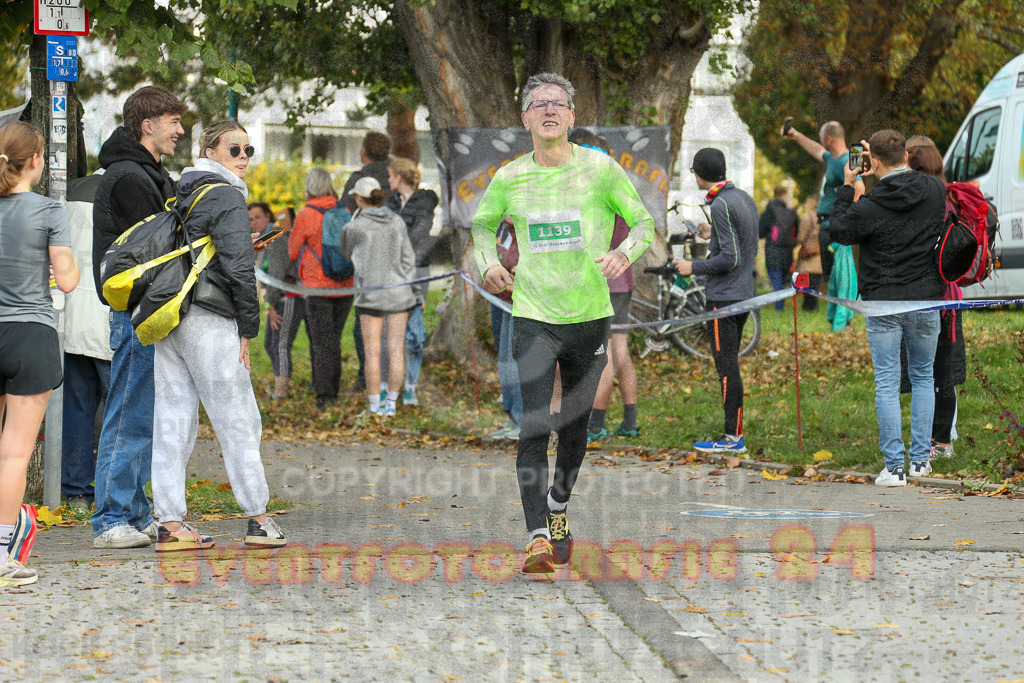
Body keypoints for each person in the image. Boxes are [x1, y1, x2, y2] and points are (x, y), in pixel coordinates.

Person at [472, 73, 655, 575]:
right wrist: (488, 263)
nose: (549, 110)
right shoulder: (510, 177)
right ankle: (536, 537)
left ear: (572, 116)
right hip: (533, 314)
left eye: (558, 103)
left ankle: (557, 507)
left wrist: (623, 253)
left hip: (588, 317)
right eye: (539, 104)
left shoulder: (600, 169)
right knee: (534, 424)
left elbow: (643, 223)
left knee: (574, 429)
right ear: (525, 119)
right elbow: (483, 225)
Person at [150, 120, 286, 550]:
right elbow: (239, 270)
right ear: (210, 151)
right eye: (234, 149)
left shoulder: (182, 190)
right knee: (239, 418)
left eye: (249, 150)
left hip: (172, 315)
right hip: (211, 319)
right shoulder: (226, 194)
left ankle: (169, 523)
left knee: (173, 420)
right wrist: (248, 327)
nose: (244, 158)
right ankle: (258, 519)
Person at [91, 86, 185, 549]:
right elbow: (160, 248)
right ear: (148, 125)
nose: (180, 130)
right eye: (173, 121)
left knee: (143, 415)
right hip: (135, 313)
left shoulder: (148, 173)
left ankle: (135, 512)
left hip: (148, 312)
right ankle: (110, 520)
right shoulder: (130, 178)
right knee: (129, 413)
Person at [829, 130, 945, 486]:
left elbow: (839, 231)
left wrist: (848, 186)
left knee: (887, 382)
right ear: (906, 157)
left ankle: (894, 468)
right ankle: (920, 461)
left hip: (883, 301)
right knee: (924, 377)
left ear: (873, 162)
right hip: (925, 297)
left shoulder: (870, 205)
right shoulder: (935, 190)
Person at [0, 121, 80, 586]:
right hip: (29, 335)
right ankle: (2, 555)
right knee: (13, 454)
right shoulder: (49, 210)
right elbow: (67, 280)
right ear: (35, 161)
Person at [674, 148, 758, 455]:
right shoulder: (742, 197)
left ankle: (733, 439)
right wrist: (713, 233)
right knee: (730, 365)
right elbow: (742, 241)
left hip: (724, 298)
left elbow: (730, 258)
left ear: (699, 174)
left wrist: (692, 267)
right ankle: (734, 434)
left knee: (726, 369)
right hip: (744, 293)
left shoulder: (721, 203)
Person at [567, 132, 640, 443]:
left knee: (602, 355)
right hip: (622, 278)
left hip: (601, 279)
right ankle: (630, 422)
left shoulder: (589, 188)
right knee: (620, 351)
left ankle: (595, 426)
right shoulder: (617, 182)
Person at [906, 143, 966, 460]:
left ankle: (941, 442)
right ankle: (937, 438)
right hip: (947, 297)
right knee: (935, 372)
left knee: (937, 373)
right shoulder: (947, 199)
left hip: (937, 299)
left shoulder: (931, 204)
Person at [340, 177, 416, 416]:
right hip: (398, 292)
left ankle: (374, 407)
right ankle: (391, 405)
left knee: (372, 352)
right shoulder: (397, 221)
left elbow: (346, 253)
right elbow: (408, 258)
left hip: (370, 294)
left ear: (359, 198)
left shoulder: (354, 227)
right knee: (396, 350)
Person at [62, 171, 112, 510]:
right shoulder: (133, 189)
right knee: (120, 412)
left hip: (72, 315)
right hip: (109, 318)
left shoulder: (70, 191)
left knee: (77, 410)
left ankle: (75, 489)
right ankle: (113, 490)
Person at [288, 168, 355, 410]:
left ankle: (325, 396)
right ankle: (332, 390)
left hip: (318, 287)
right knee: (333, 339)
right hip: (345, 286)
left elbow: (293, 252)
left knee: (322, 343)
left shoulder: (306, 214)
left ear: (309, 186)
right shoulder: (344, 212)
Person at [781, 121, 864, 286]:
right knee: (830, 276)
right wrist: (796, 136)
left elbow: (860, 188)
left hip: (836, 228)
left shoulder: (845, 161)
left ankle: (844, 301)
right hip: (826, 226)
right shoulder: (833, 158)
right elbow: (817, 150)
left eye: (821, 138)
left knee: (838, 276)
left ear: (828, 139)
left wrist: (848, 220)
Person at [383, 158, 438, 407]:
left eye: (391, 176)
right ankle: (388, 384)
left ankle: (411, 386)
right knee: (391, 329)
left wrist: (405, 262)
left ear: (400, 177)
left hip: (417, 270)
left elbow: (420, 236)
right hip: (391, 272)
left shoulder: (424, 203)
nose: (388, 180)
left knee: (415, 332)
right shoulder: (389, 204)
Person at [342, 131, 392, 394]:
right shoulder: (395, 176)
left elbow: (345, 216)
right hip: (395, 259)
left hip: (367, 259)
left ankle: (366, 377)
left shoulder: (358, 179)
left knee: (363, 322)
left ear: (364, 153)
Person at [260, 206, 308, 400]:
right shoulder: (274, 236)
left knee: (280, 344)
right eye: (280, 218)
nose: (282, 222)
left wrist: (271, 303)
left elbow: (277, 273)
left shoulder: (280, 239)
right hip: (281, 297)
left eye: (285, 218)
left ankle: (281, 392)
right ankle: (281, 382)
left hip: (289, 297)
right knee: (270, 344)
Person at [758, 186, 797, 312]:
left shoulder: (767, 213)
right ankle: (780, 307)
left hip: (772, 251)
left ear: (774, 194)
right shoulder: (790, 214)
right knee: (783, 282)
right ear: (784, 195)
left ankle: (779, 308)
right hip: (787, 253)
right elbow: (796, 233)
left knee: (776, 282)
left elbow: (760, 233)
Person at [794, 196, 823, 311]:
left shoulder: (806, 217)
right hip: (818, 253)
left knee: (807, 283)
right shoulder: (821, 217)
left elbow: (801, 237)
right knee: (815, 283)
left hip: (808, 254)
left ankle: (808, 307)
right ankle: (814, 306)